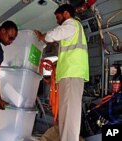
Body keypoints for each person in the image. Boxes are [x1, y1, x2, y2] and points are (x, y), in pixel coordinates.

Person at [34, 4, 89, 141]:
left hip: (72, 73)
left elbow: (54, 34)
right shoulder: (73, 30)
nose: (57, 20)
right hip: (68, 74)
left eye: (58, 17)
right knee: (66, 114)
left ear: (65, 14)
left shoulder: (72, 24)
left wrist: (42, 36)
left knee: (70, 115)